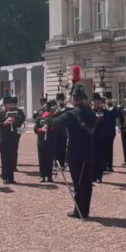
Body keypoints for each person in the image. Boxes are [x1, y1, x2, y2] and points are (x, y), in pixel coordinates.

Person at [49, 85, 97, 219]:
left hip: (76, 153)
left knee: (79, 183)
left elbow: (54, 123)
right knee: (87, 183)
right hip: (89, 152)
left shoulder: (71, 114)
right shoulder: (91, 112)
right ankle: (83, 210)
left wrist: (54, 112)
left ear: (74, 99)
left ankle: (80, 212)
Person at [0, 95, 25, 184]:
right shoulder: (1, 113)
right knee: (5, 158)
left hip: (13, 137)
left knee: (11, 157)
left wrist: (14, 121)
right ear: (4, 105)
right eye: (7, 104)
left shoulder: (16, 112)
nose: (9, 106)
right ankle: (5, 177)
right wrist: (5, 122)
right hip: (4, 138)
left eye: (10, 104)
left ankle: (11, 177)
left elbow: (21, 121)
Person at [92, 92, 115, 183]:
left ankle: (99, 176)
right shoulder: (90, 111)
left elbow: (107, 125)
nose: (96, 103)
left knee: (100, 158)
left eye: (97, 101)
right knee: (93, 157)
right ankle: (93, 175)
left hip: (101, 138)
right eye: (94, 101)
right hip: (92, 138)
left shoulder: (105, 112)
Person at [33, 99, 55, 183]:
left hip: (50, 140)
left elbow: (56, 127)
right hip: (41, 141)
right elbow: (35, 129)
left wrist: (49, 128)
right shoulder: (39, 117)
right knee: (42, 159)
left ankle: (49, 176)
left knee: (50, 159)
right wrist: (40, 130)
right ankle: (42, 176)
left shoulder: (52, 117)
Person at [103, 92, 119, 172]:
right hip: (103, 131)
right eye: (106, 99)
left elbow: (115, 116)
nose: (107, 100)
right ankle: (104, 165)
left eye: (108, 99)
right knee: (103, 148)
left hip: (110, 131)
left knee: (109, 148)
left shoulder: (113, 108)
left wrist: (112, 106)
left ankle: (109, 165)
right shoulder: (102, 108)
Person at [52, 93, 69, 169]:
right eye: (59, 100)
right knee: (55, 147)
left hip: (63, 130)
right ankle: (56, 162)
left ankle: (62, 163)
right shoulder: (54, 108)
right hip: (55, 130)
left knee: (63, 147)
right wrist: (55, 112)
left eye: (61, 100)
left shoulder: (66, 109)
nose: (60, 101)